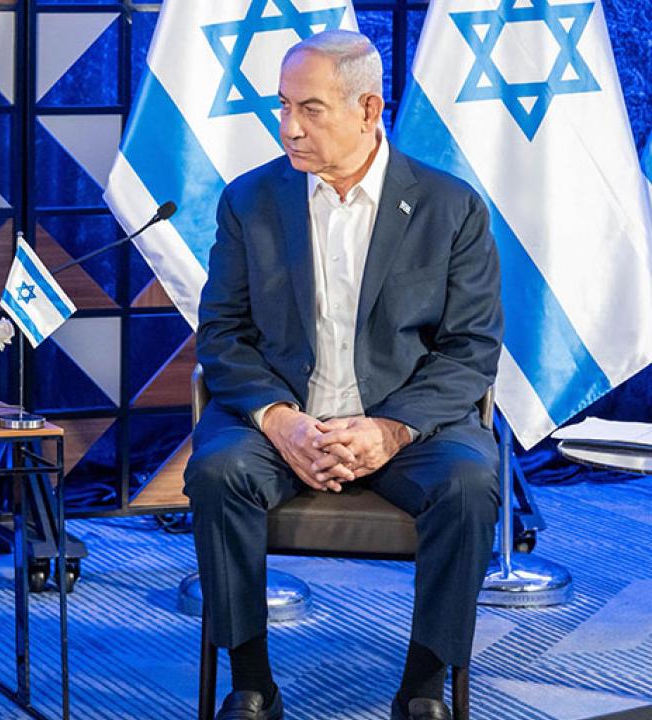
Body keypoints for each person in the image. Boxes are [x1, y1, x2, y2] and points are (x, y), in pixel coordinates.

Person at [185, 29, 503, 720]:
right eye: (282, 107)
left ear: (368, 110)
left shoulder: (452, 208)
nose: (288, 128)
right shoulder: (250, 202)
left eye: (310, 110)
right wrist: (280, 419)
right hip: (282, 423)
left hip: (404, 428)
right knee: (216, 470)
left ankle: (423, 686)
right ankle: (251, 682)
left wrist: (390, 429)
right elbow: (224, 335)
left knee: (471, 480)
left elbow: (472, 349)